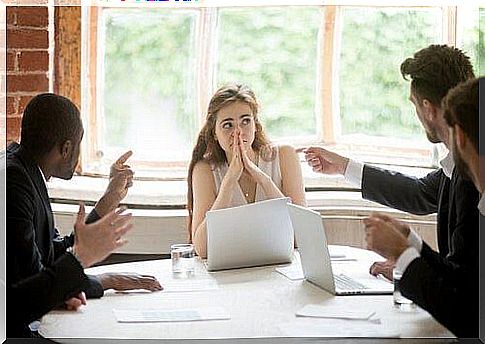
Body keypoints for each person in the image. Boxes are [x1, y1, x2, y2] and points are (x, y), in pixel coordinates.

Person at [299, 45, 478, 280]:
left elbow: (462, 290)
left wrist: (407, 263)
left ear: (428, 109)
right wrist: (343, 166)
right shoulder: (457, 165)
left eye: (414, 104)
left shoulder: (474, 175)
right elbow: (420, 192)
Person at [6, 93, 162, 336]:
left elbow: (52, 254)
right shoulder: (14, 183)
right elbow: (28, 295)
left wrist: (110, 199)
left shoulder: (24, 171)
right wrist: (95, 271)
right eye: (80, 143)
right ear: (66, 148)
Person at [364, 77, 481, 337]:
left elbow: (465, 313)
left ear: (459, 136)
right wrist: (410, 243)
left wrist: (403, 253)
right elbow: (464, 281)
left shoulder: (470, 192)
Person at [187, 84, 306, 258]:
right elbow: (202, 249)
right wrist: (228, 183)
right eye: (228, 125)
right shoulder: (205, 170)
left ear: (255, 125)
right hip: (229, 275)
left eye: (245, 121)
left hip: (280, 270)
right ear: (214, 133)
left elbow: (302, 236)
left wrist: (263, 179)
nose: (238, 132)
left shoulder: (285, 155)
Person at [8, 203, 134, 338]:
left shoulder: (31, 183)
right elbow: (11, 308)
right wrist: (83, 260)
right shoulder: (14, 189)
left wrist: (111, 196)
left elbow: (52, 254)